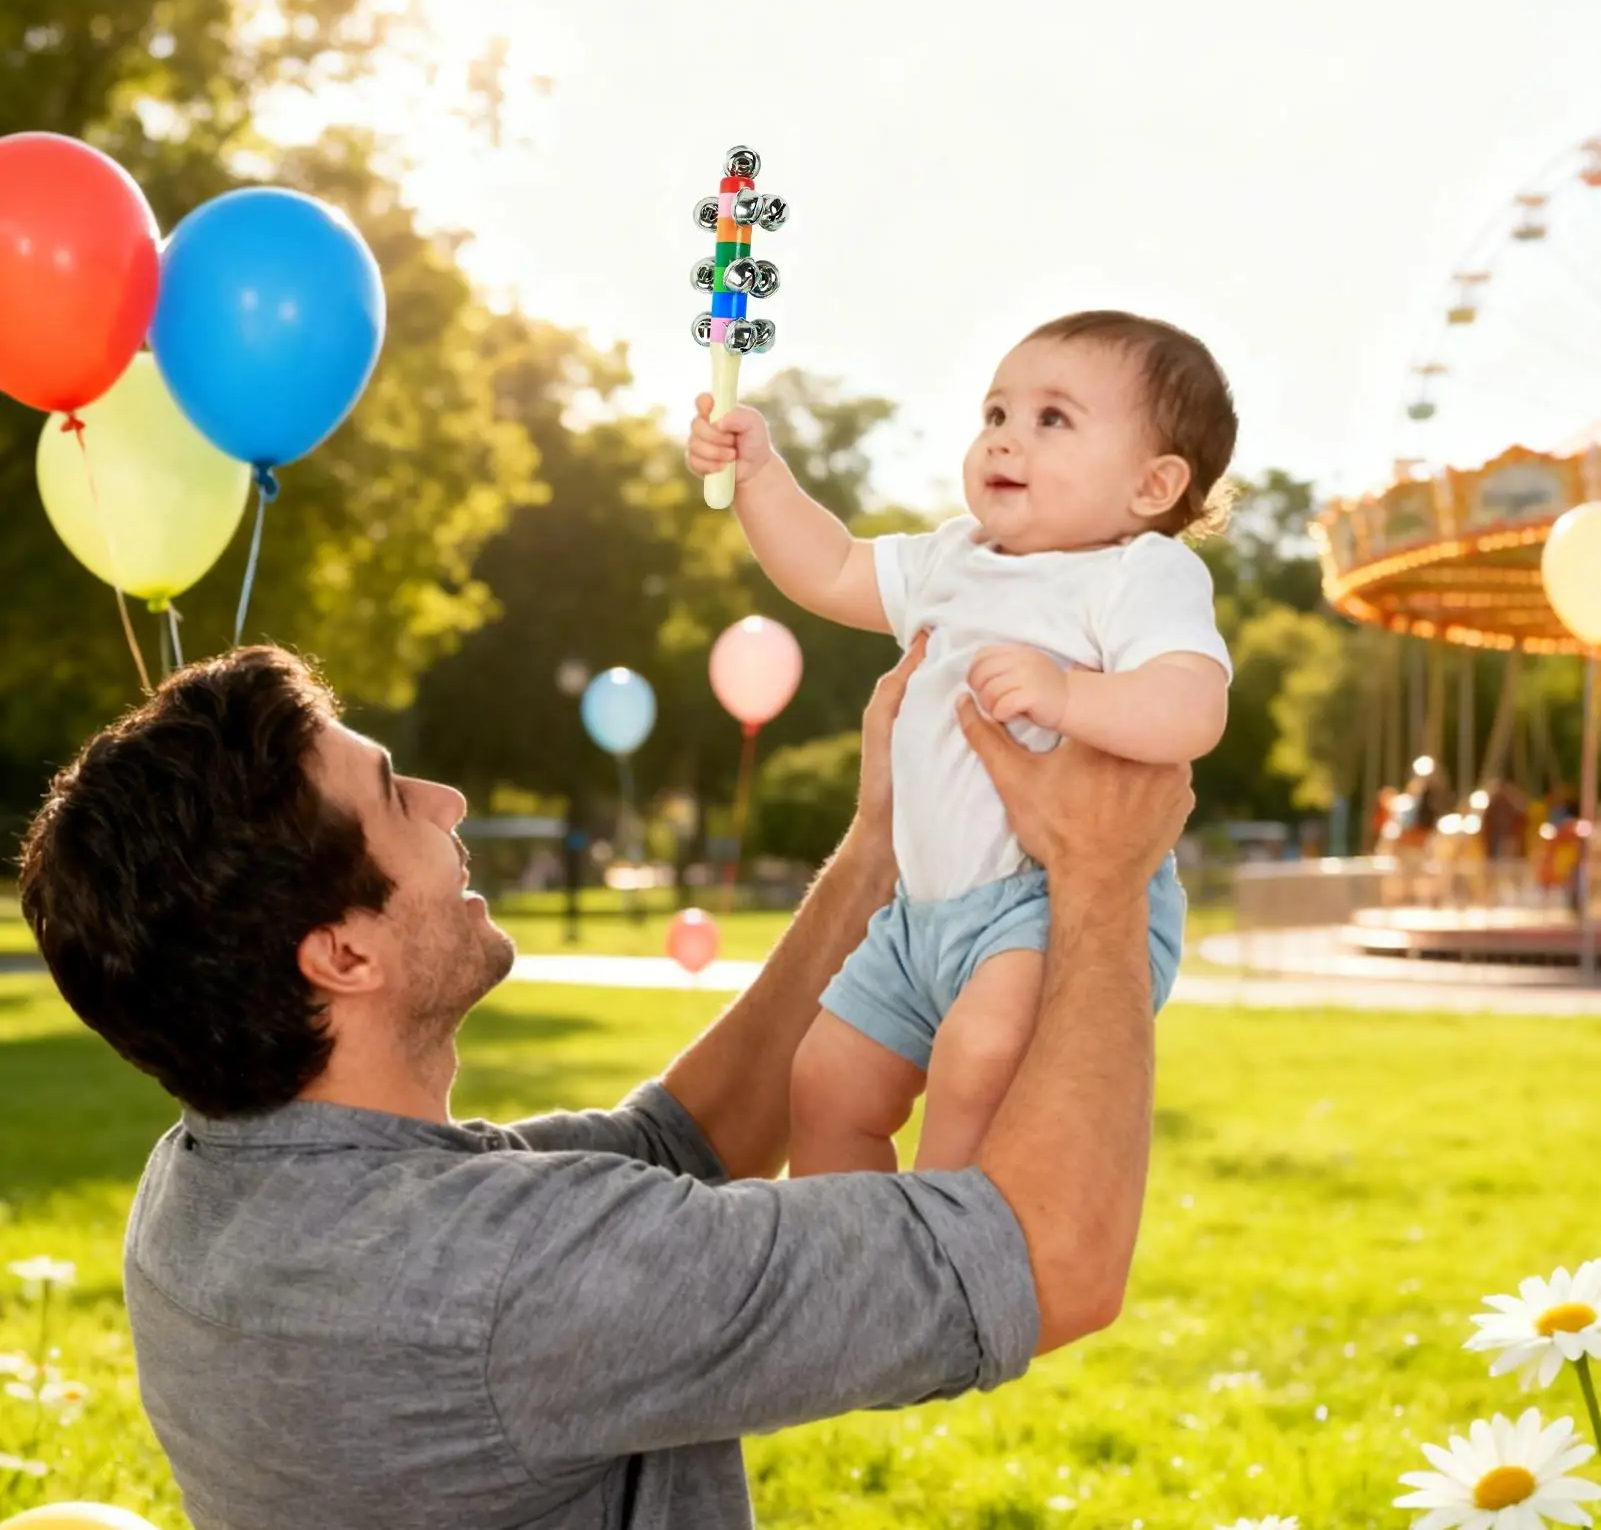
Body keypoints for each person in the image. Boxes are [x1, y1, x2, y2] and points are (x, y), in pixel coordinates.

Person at [18, 642, 1192, 1530]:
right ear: (342, 955)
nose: (447, 800)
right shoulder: (496, 1283)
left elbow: (678, 1139)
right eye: (390, 793)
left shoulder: (204, 1189)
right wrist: (1100, 878)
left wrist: (878, 842)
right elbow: (1043, 1255)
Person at [686, 309, 1233, 1174]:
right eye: (994, 415)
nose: (1005, 440)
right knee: (826, 1079)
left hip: (1048, 908)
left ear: (1152, 485)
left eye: (1051, 419)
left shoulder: (1138, 573)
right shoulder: (955, 556)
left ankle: (940, 1253)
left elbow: (1191, 706)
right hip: (920, 916)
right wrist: (760, 477)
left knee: (978, 1059)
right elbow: (828, 569)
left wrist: (1069, 694)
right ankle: (840, 1264)